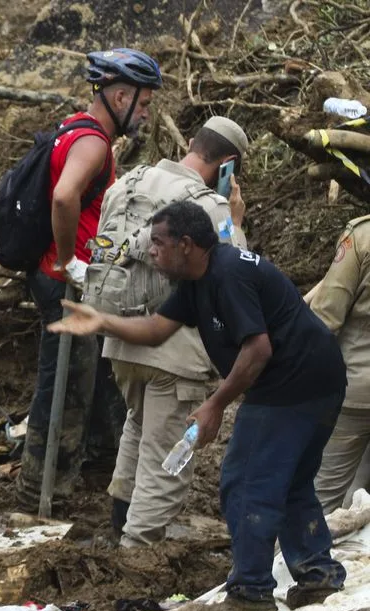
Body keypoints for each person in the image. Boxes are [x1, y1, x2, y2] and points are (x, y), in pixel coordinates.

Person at [50, 201, 347, 611]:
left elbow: (257, 349)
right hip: (318, 378)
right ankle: (318, 578)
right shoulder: (197, 280)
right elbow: (156, 331)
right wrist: (102, 322)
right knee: (291, 482)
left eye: (158, 242)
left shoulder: (228, 275)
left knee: (244, 481)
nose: (150, 251)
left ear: (185, 245)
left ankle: (250, 592)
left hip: (293, 383)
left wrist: (214, 405)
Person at [16, 48, 163, 508]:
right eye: (143, 103)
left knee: (97, 374)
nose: (146, 111)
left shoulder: (77, 128)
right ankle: (42, 489)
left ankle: (100, 464)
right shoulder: (93, 143)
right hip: (65, 281)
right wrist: (67, 262)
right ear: (119, 95)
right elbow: (63, 197)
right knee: (66, 383)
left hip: (73, 277)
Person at [97, 117, 249, 546]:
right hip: (175, 352)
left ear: (189, 143)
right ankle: (135, 559)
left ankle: (118, 527)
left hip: (121, 338)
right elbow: (235, 272)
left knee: (139, 428)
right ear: (229, 165)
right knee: (166, 462)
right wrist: (234, 220)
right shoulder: (211, 207)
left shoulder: (127, 183)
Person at [309, 215, 370, 514]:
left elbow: (325, 319)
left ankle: (288, 560)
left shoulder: (361, 236)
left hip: (355, 391)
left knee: (321, 497)